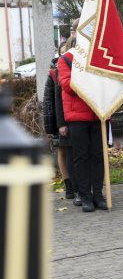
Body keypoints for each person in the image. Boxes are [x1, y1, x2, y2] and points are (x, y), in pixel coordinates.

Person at [58, 40, 106, 213]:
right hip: (77, 116)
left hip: (97, 112)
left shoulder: (96, 57)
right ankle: (85, 195)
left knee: (98, 156)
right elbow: (66, 84)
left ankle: (98, 195)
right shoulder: (65, 59)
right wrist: (88, 79)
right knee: (81, 156)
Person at [44, 42, 74, 202]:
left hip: (74, 115)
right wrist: (53, 124)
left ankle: (77, 183)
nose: (65, 54)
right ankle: (68, 184)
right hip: (60, 118)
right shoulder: (53, 73)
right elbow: (49, 100)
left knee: (74, 152)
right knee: (63, 151)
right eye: (62, 52)